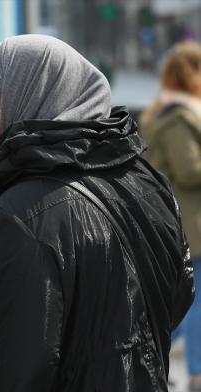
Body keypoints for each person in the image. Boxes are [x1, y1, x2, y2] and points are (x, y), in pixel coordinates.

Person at [0, 34, 195, 392]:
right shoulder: (145, 182)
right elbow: (177, 296)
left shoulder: (18, 217)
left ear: (24, 94)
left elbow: (14, 372)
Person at [140, 41, 201, 392]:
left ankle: (149, 361)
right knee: (191, 306)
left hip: (175, 225)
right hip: (191, 228)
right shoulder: (180, 118)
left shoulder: (163, 112)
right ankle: (195, 374)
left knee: (181, 304)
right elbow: (190, 169)